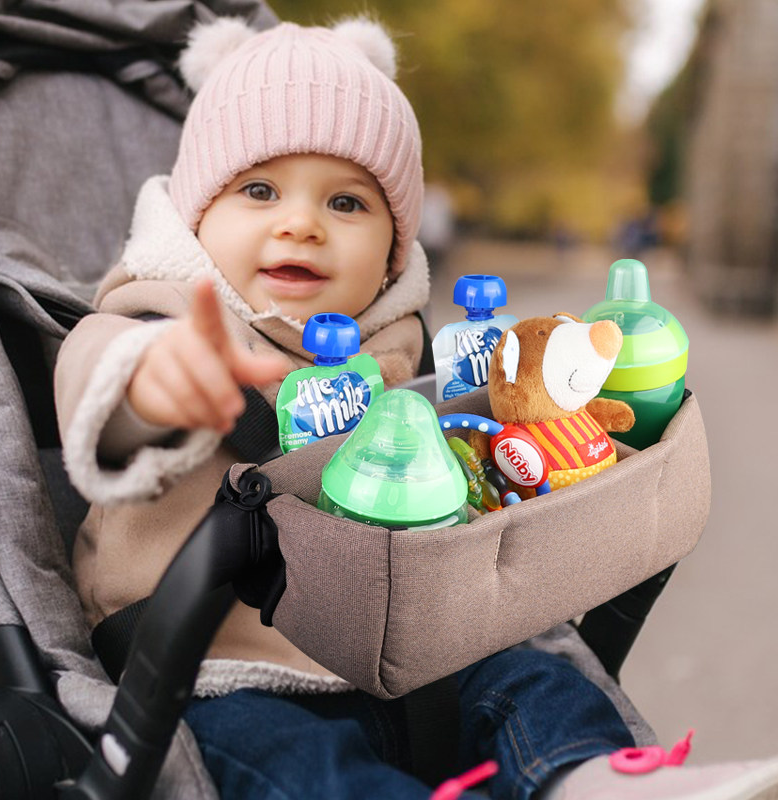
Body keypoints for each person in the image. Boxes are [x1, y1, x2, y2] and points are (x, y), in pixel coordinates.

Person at [54, 15, 778, 800]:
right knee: (302, 771)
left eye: (347, 203)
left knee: (534, 681)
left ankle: (595, 778)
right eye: (259, 190)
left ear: (396, 245)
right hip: (220, 672)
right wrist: (155, 384)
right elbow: (92, 382)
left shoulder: (407, 350)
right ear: (197, 218)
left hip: (411, 654)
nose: (301, 222)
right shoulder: (152, 323)